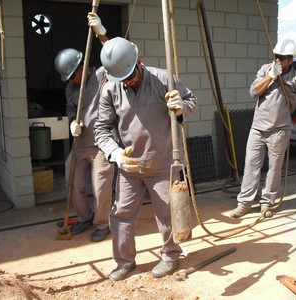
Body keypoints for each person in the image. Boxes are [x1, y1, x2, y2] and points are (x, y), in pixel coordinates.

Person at [93, 37, 197, 281]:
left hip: (162, 162)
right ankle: (124, 261)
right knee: (121, 215)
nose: (127, 82)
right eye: (122, 79)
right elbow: (102, 128)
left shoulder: (164, 79)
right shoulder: (110, 88)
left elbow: (191, 100)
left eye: (130, 76)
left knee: (167, 214)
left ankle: (171, 256)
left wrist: (181, 106)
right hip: (130, 165)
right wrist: (115, 153)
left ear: (139, 62)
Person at [230, 39, 296, 219]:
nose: (278, 60)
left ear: (290, 60)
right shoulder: (265, 69)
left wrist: (293, 122)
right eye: (276, 56)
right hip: (257, 128)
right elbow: (254, 92)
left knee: (274, 169)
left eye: (282, 58)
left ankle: (267, 204)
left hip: (279, 131)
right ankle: (244, 203)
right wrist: (271, 76)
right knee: (251, 166)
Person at [54, 47, 115, 242]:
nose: (71, 80)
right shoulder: (70, 88)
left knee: (100, 186)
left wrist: (102, 35)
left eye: (73, 76)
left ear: (82, 67)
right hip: (80, 143)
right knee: (73, 180)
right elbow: (70, 107)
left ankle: (102, 224)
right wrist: (72, 121)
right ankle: (84, 217)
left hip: (102, 143)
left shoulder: (102, 76)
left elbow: (115, 57)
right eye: (68, 78)